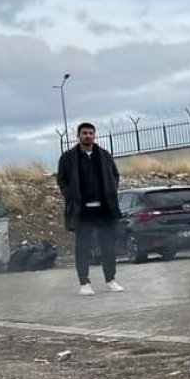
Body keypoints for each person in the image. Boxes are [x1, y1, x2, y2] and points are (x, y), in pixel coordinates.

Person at [56, 122, 123, 296]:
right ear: (78, 136)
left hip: (104, 210)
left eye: (91, 133)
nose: (88, 136)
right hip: (82, 211)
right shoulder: (68, 158)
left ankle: (111, 280)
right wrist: (70, 194)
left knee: (108, 247)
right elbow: (62, 180)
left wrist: (110, 191)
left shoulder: (104, 155)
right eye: (84, 133)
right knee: (82, 248)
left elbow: (115, 175)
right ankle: (84, 283)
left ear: (94, 135)